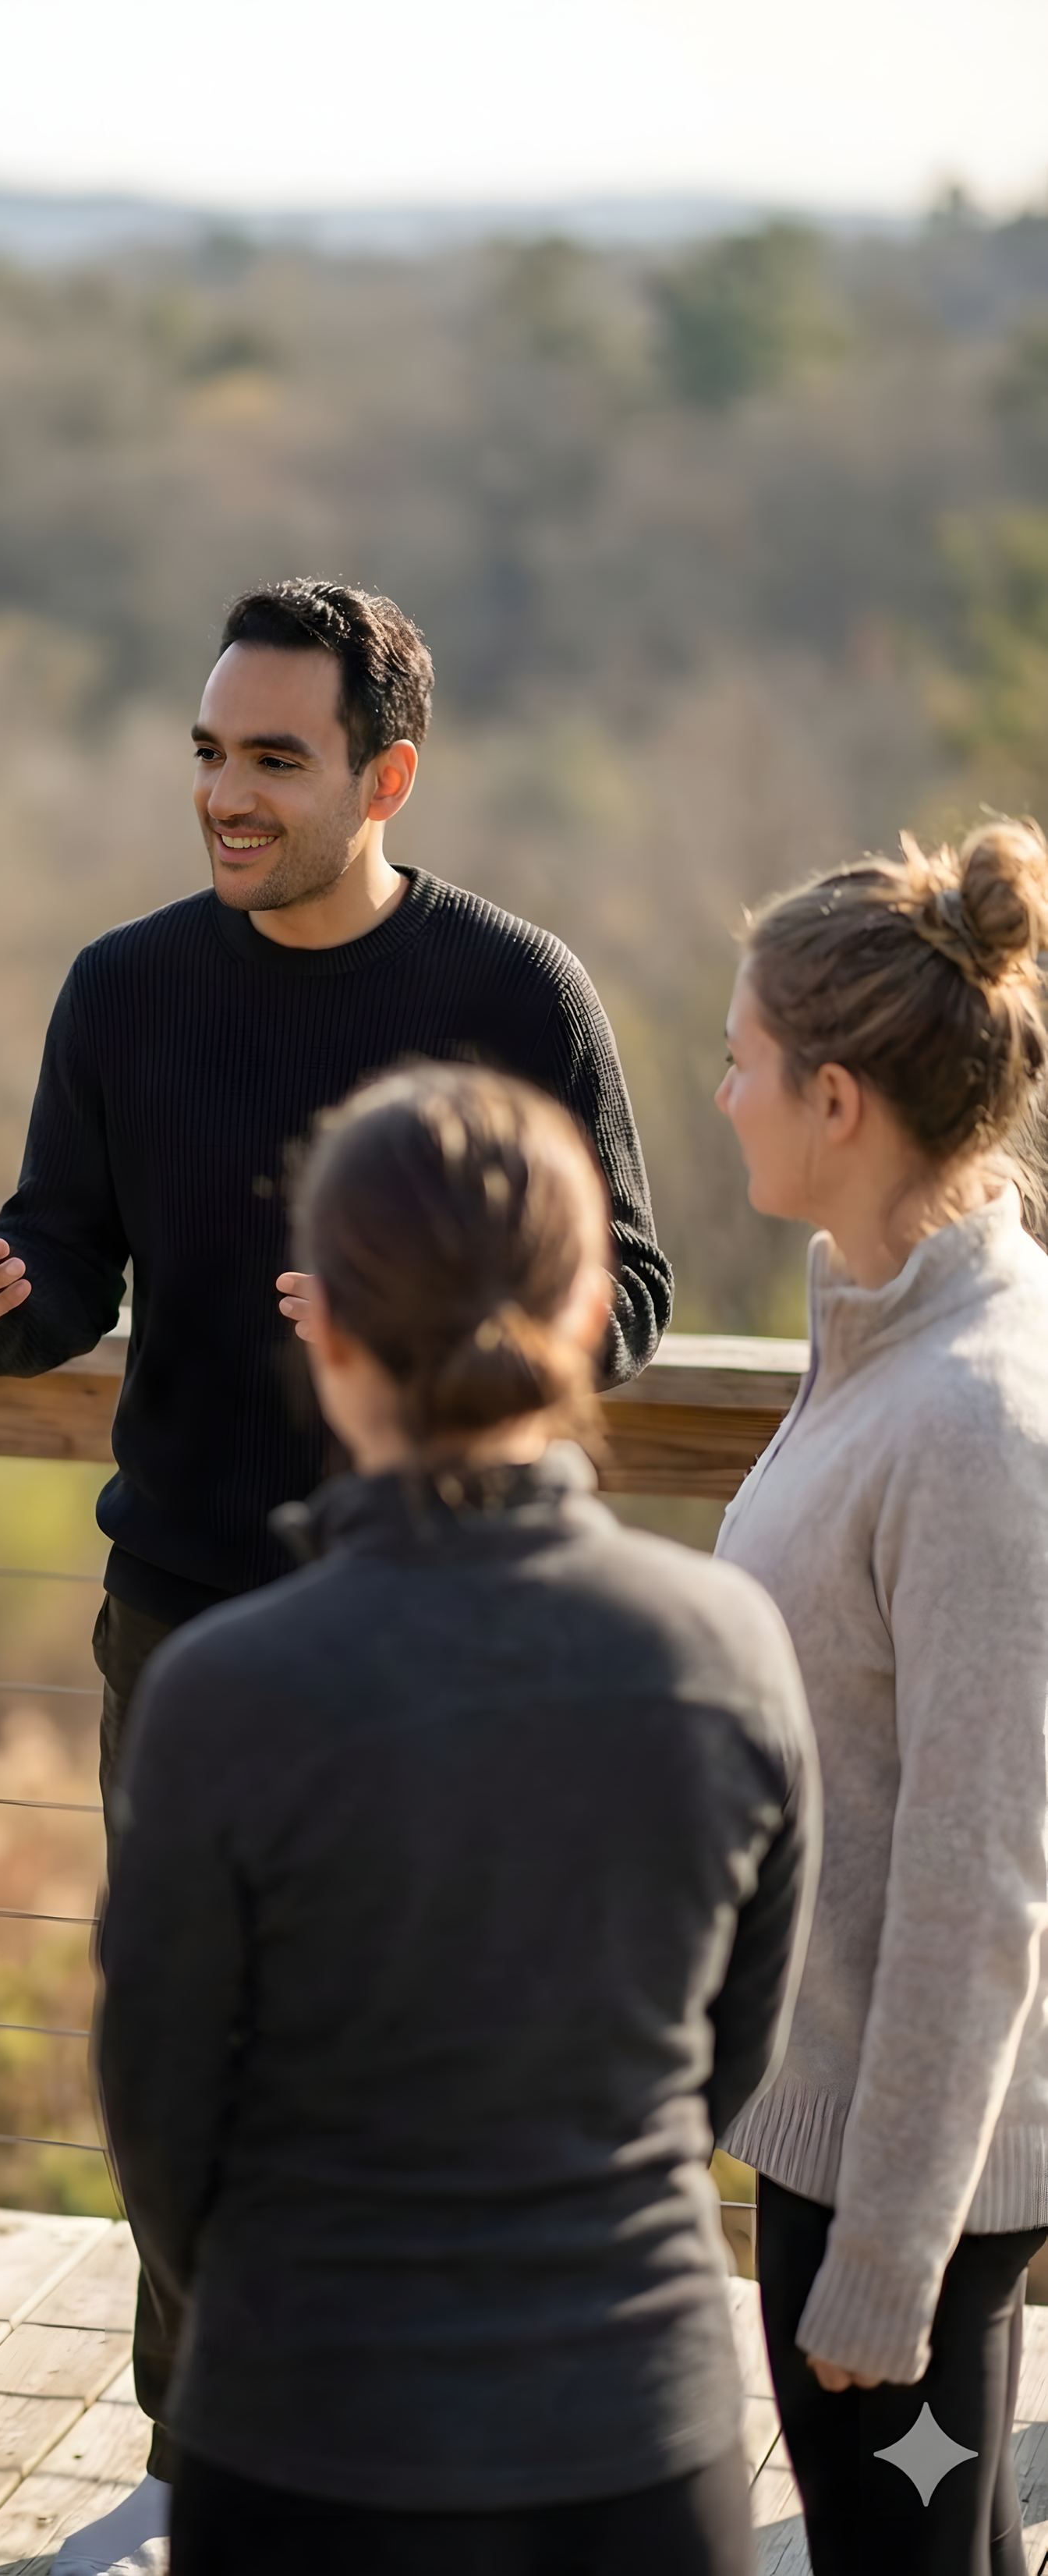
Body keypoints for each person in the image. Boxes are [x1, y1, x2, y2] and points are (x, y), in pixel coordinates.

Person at [0, 577, 673, 2571]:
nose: (224, 796)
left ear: (382, 774)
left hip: (457, 1628)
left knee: (428, 2037)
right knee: (179, 2045)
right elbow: (61, 1271)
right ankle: (200, 2444)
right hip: (187, 1613)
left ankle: (435, 2441)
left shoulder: (517, 995)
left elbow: (642, 1294)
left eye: (271, 759)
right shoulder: (123, 987)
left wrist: (437, 1345)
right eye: (206, 753)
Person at [96, 1062, 817, 2576]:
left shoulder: (229, 1687)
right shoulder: (722, 1647)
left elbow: (158, 2104)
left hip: (302, 2425)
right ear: (577, 1322)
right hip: (636, 2424)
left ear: (331, 1336)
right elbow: (725, 2056)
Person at [713, 817, 1048, 2576]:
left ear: (834, 1099)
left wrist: (889, 2255)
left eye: (739, 1059)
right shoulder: (871, 1323)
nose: (721, 1094)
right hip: (832, 2116)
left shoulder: (974, 1423)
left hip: (904, 2174)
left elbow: (980, 1874)